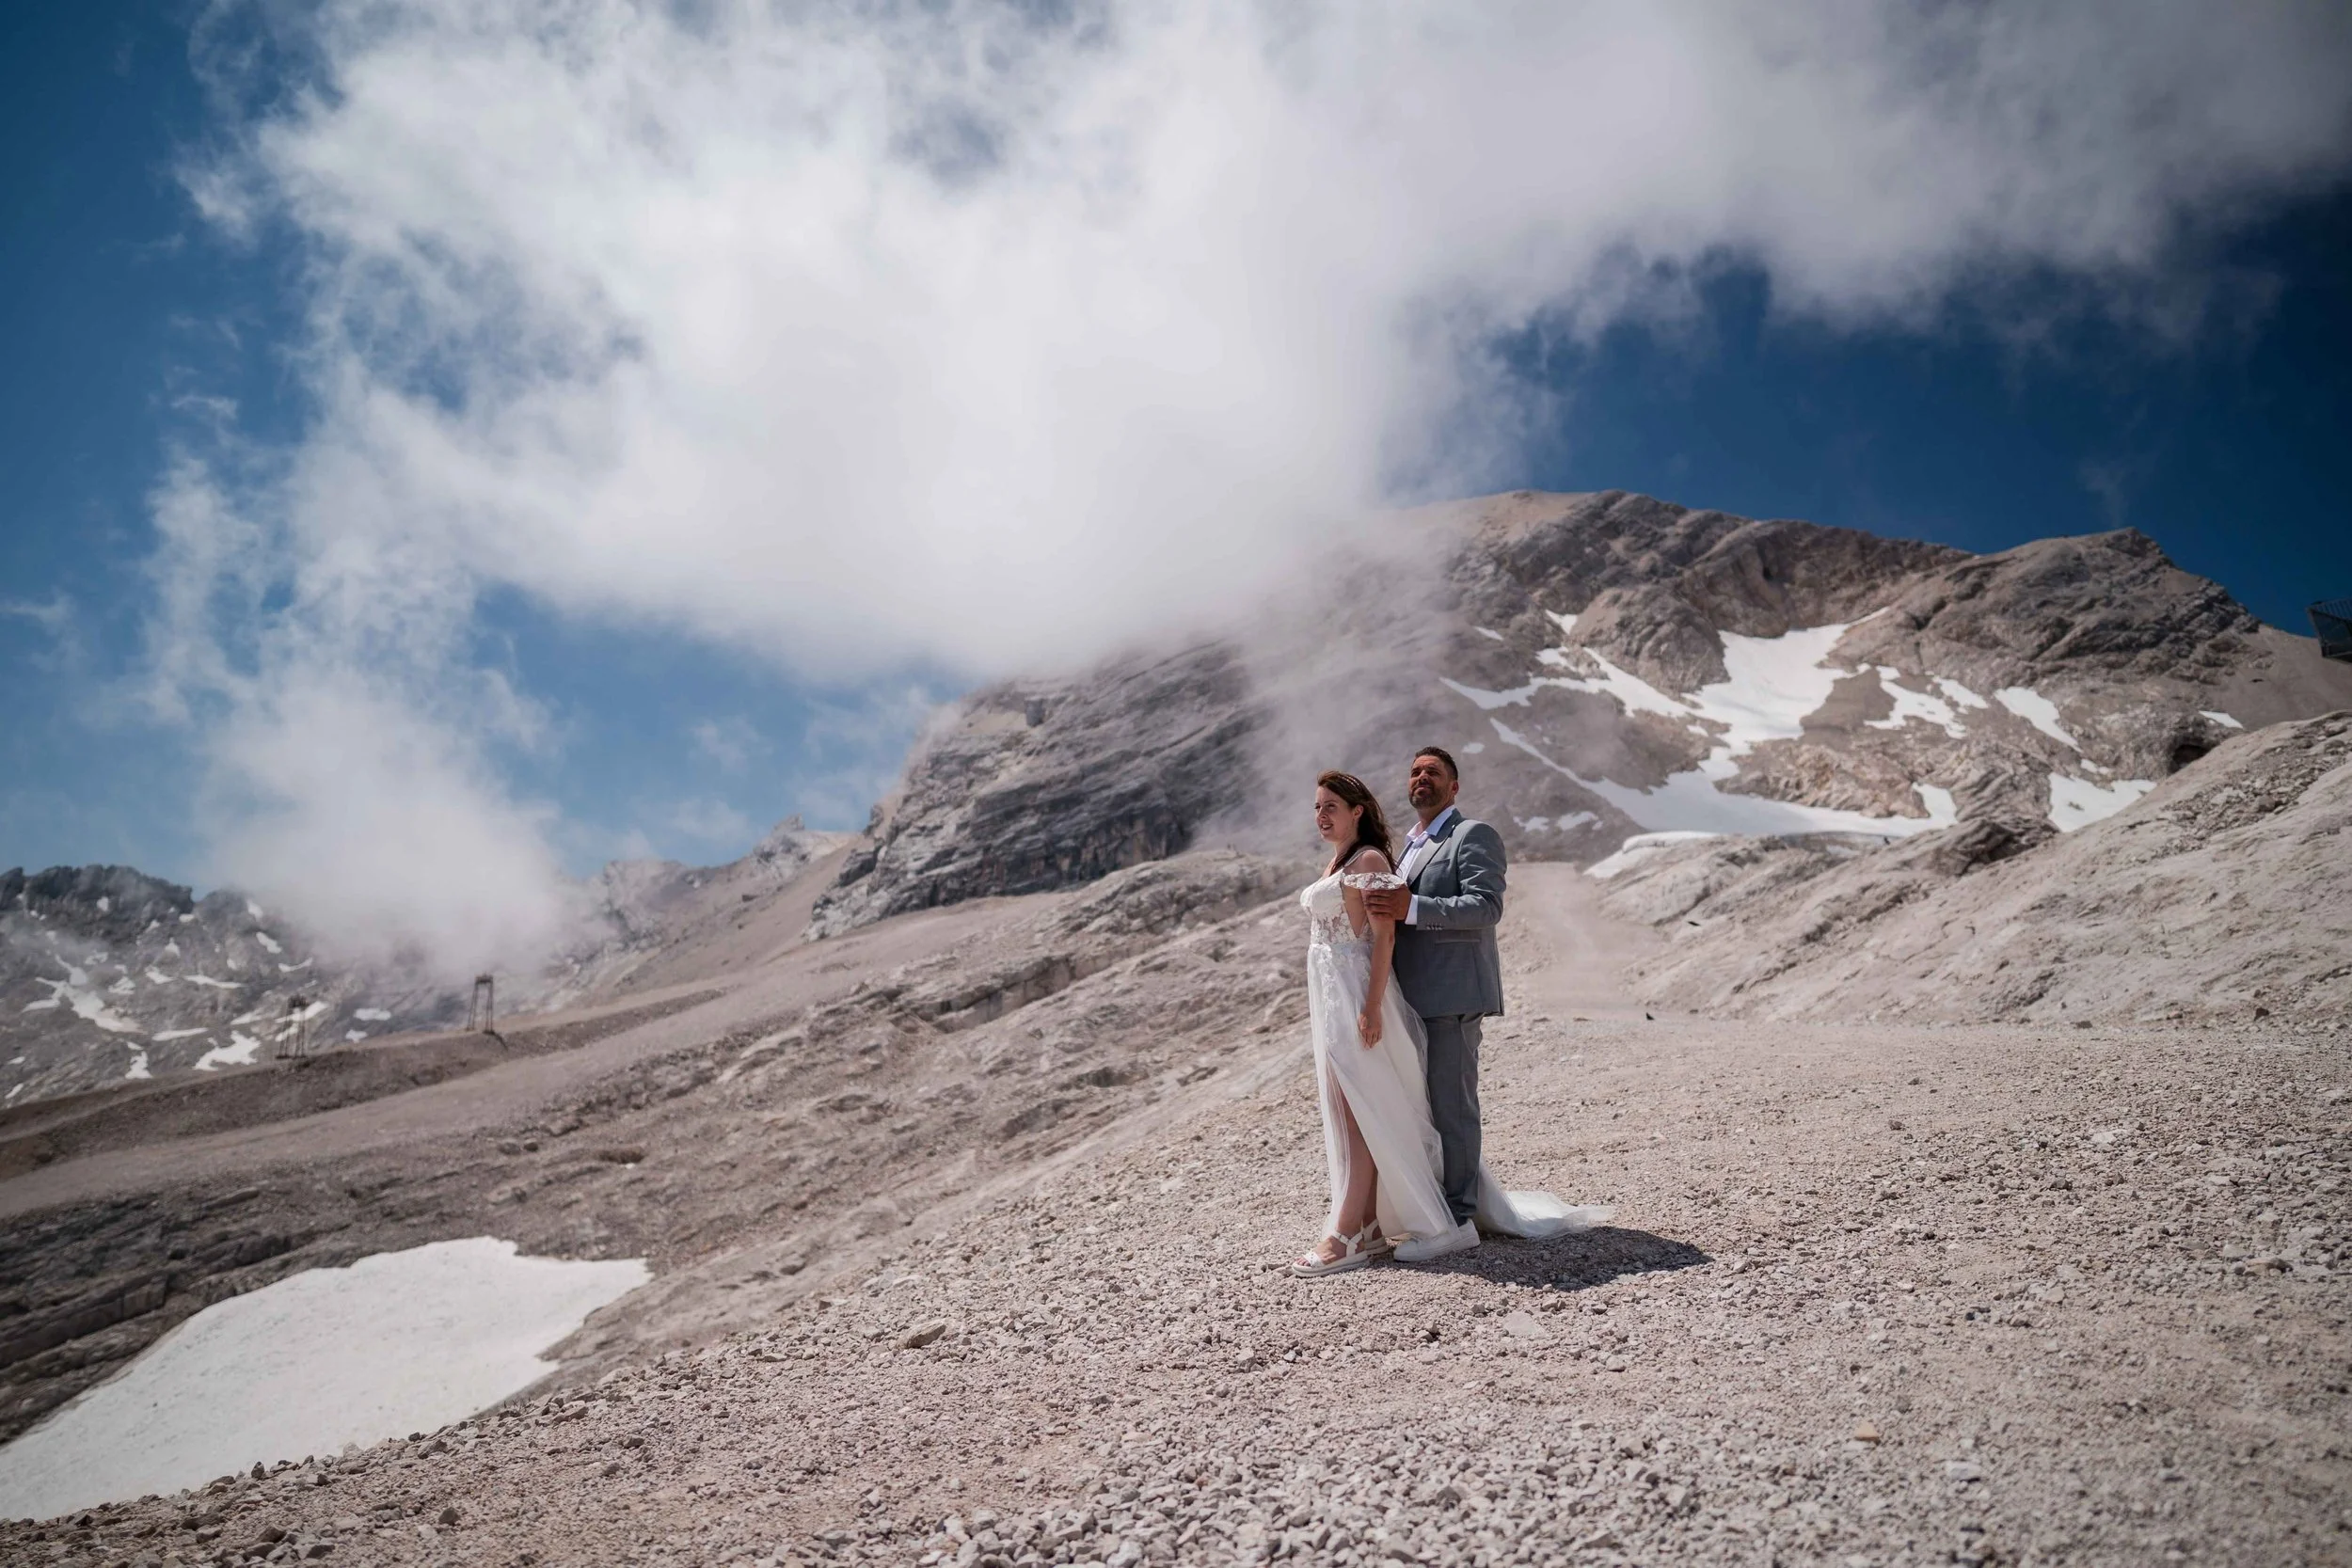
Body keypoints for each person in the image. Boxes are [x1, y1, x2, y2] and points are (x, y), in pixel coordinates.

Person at [1290, 758, 1598, 1278]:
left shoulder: (1471, 835)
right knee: (1413, 1106)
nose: (1421, 778)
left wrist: (1410, 909)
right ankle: (1389, 1214)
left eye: (1434, 772)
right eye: (1414, 770)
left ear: (1454, 786)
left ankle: (1453, 1221)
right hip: (1404, 994)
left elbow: (1483, 905)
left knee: (1450, 1107)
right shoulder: (1405, 849)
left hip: (1448, 993)